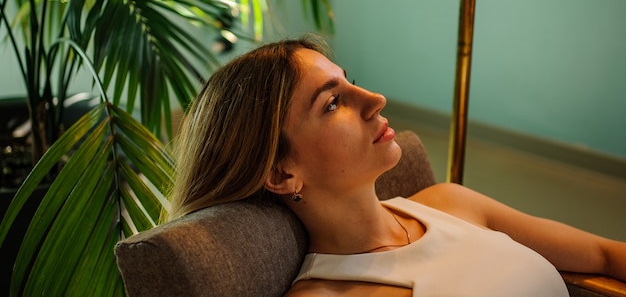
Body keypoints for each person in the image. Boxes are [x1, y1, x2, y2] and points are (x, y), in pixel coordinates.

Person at [167, 36, 626, 296]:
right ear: (282, 174)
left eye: (352, 82)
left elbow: (604, 255)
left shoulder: (448, 203)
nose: (375, 100)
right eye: (332, 103)